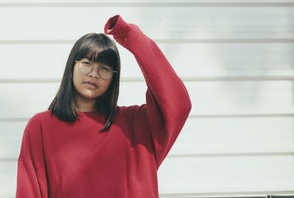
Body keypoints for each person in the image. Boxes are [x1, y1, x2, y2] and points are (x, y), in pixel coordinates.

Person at [16, 14, 192, 198]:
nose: (94, 73)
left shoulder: (137, 126)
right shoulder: (41, 127)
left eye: (104, 68)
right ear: (72, 67)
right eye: (86, 63)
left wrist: (131, 36)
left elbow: (178, 102)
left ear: (113, 78)